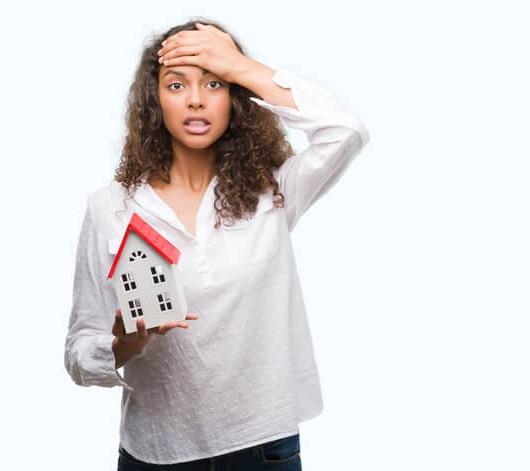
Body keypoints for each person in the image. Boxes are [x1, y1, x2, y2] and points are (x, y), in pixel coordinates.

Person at [64, 18, 370, 470]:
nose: (195, 99)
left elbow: (345, 131)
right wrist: (124, 343)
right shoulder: (110, 209)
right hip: (157, 455)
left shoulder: (274, 192)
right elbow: (78, 353)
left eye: (213, 83)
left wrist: (240, 65)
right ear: (155, 102)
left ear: (234, 99)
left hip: (264, 448)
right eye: (176, 84)